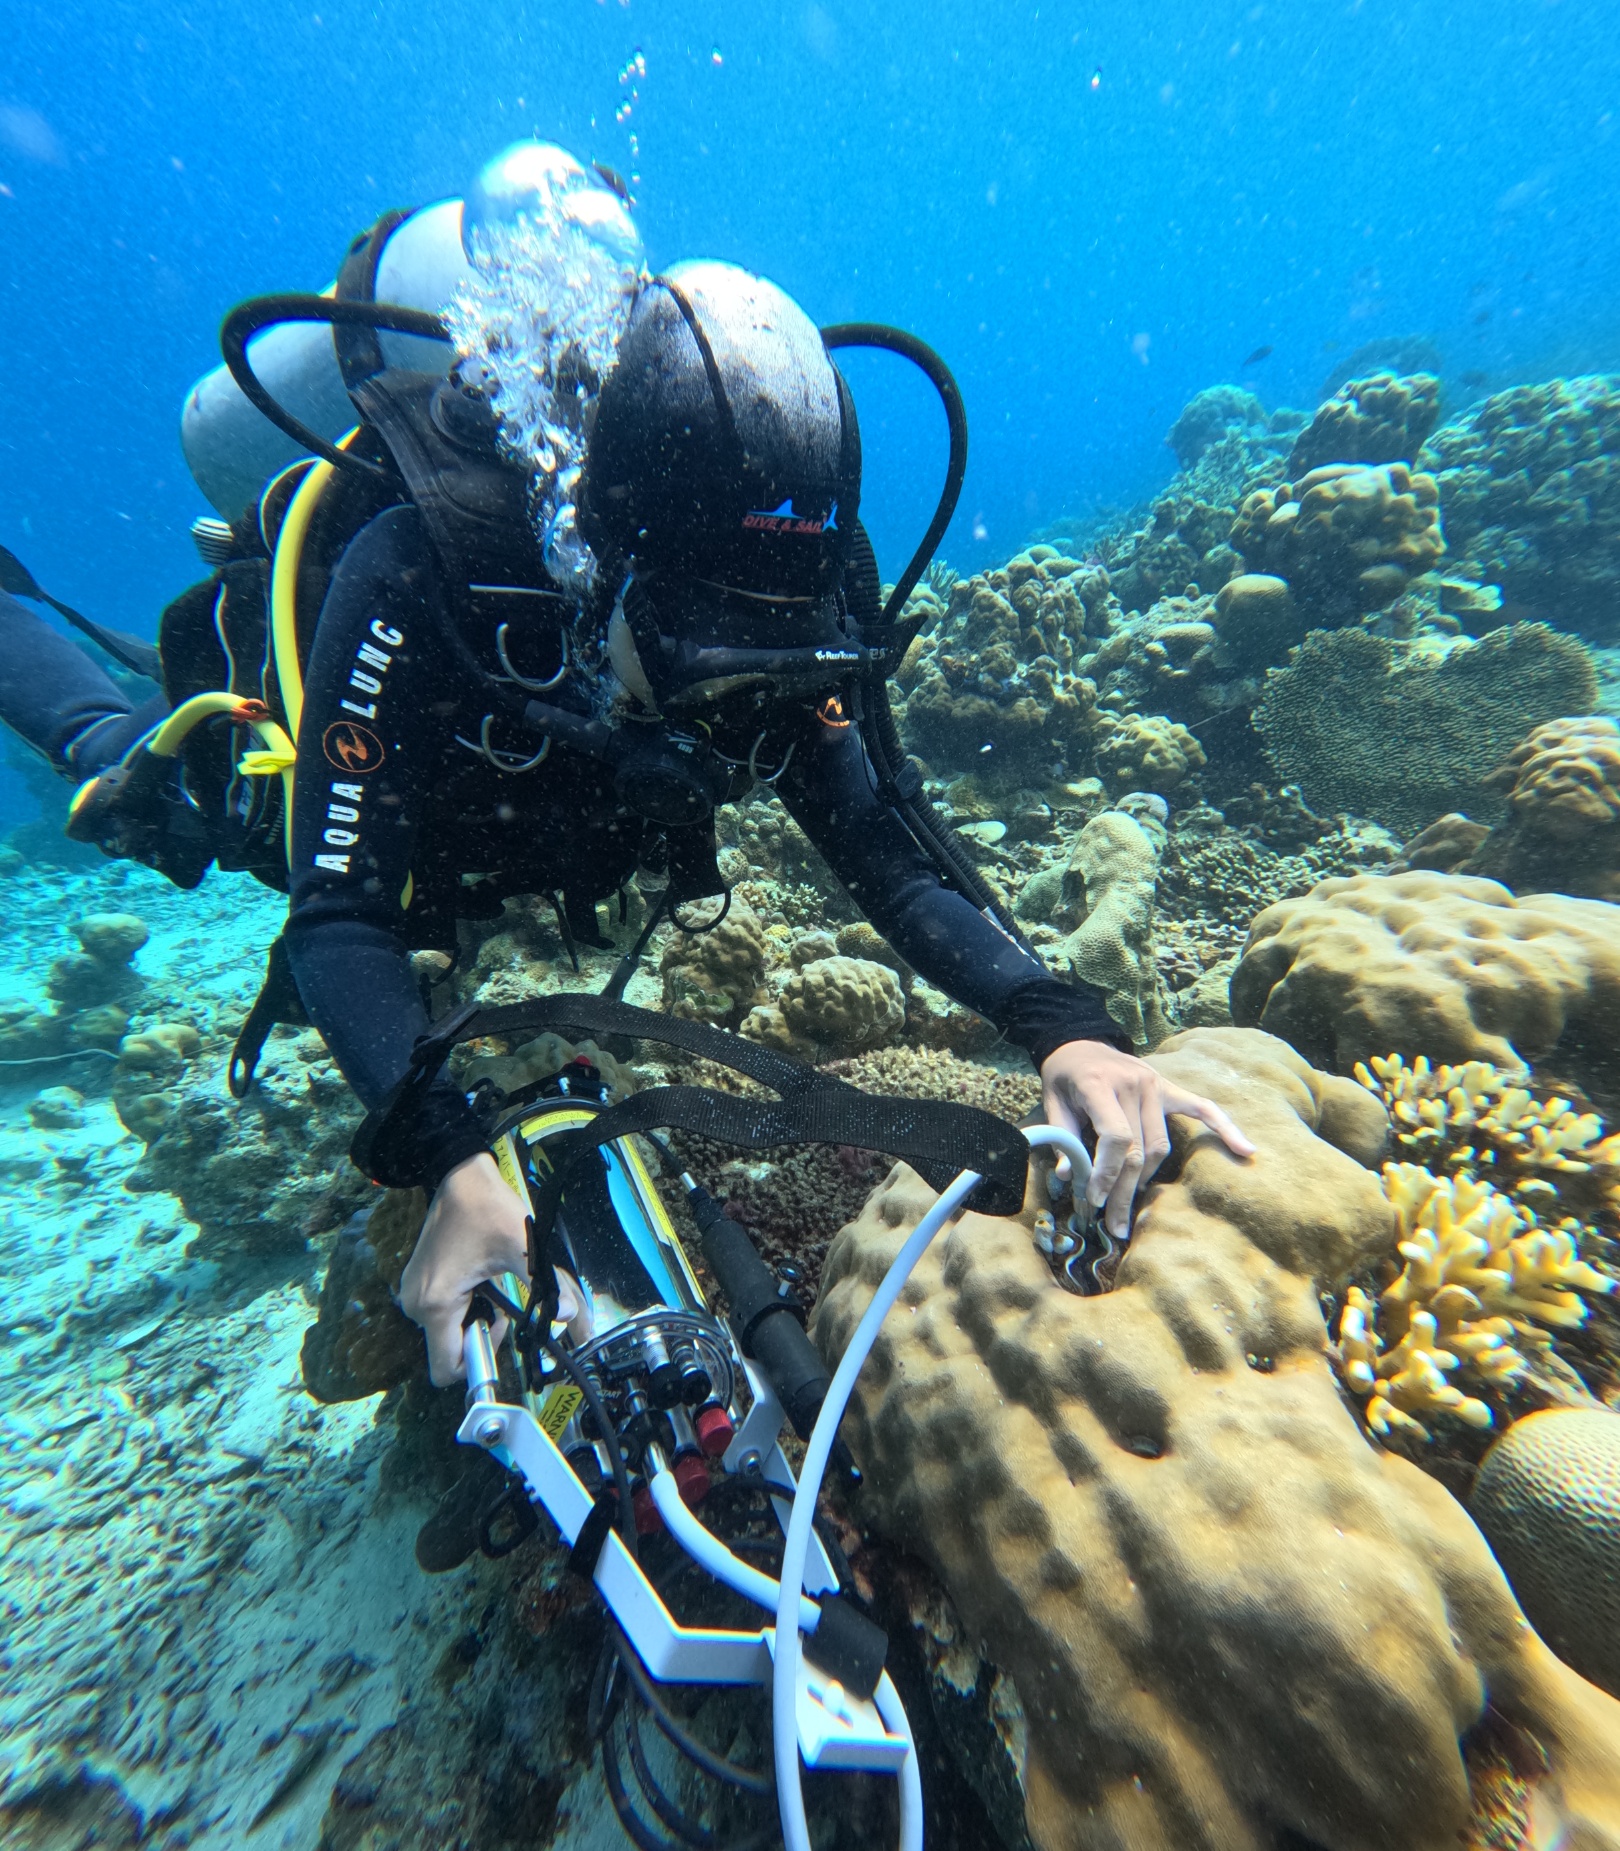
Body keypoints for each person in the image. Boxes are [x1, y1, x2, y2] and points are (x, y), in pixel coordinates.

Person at [0, 144, 1254, 1393]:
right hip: (417, 779)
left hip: (566, 800)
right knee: (160, 801)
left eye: (776, 659)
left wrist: (1065, 1028)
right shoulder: (421, 567)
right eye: (708, 655)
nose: (742, 701)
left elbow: (882, 846)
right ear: (600, 565)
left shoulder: (813, 573)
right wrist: (449, 1157)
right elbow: (338, 915)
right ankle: (78, 690)